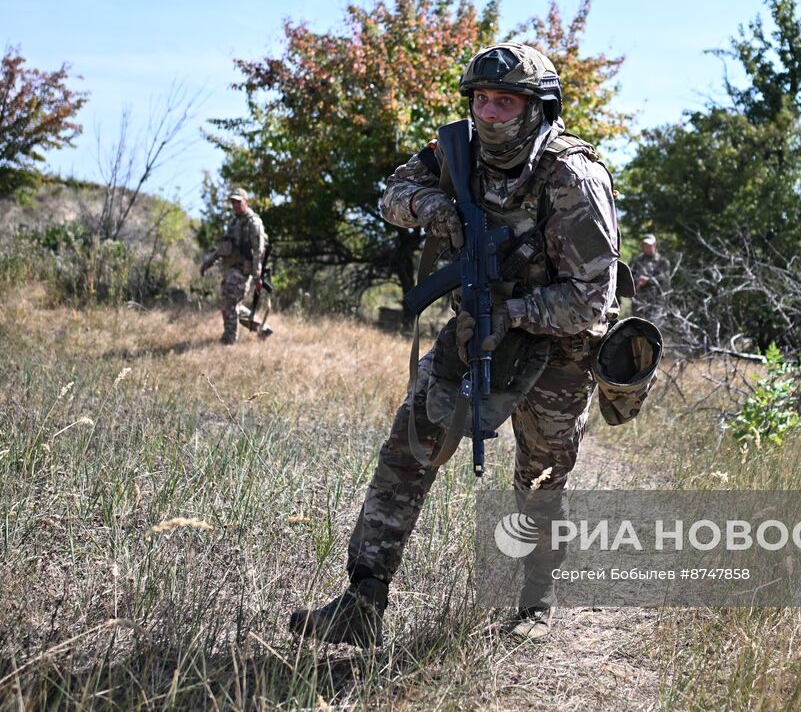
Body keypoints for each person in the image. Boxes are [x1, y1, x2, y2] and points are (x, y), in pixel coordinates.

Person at [288, 42, 620, 646]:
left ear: (539, 108)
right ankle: (363, 601)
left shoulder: (573, 178)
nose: (489, 113)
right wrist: (439, 206)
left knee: (540, 476)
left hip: (559, 347)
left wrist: (513, 312)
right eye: (481, 99)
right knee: (408, 448)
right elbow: (392, 196)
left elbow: (591, 300)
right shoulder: (457, 151)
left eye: (506, 101)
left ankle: (536, 601)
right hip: (473, 327)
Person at [200, 189, 272, 343]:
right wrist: (208, 262)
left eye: (238, 202)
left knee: (229, 305)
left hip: (242, 270)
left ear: (246, 202)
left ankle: (229, 340)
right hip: (230, 269)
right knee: (232, 304)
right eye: (233, 202)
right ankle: (262, 328)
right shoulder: (234, 222)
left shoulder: (253, 222)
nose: (235, 205)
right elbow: (223, 248)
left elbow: (259, 251)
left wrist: (258, 276)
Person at [629, 234, 671, 315]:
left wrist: (648, 280)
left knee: (653, 326)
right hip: (638, 300)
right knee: (636, 325)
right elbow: (628, 275)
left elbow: (665, 277)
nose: (647, 248)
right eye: (645, 245)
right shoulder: (636, 260)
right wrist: (638, 281)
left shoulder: (662, 261)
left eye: (649, 245)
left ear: (654, 245)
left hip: (656, 302)